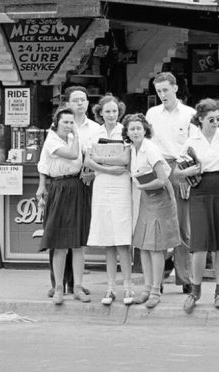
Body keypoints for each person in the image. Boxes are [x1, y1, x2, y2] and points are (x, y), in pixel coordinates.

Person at [175, 98, 219, 313]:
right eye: (211, 119)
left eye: (218, 118)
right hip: (200, 188)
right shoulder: (192, 140)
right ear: (200, 119)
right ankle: (195, 290)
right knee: (199, 244)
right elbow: (177, 171)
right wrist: (188, 172)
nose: (215, 122)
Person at [145, 72, 197, 294]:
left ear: (175, 88)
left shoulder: (189, 114)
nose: (162, 95)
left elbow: (193, 144)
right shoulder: (152, 113)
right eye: (159, 91)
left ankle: (185, 277)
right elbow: (148, 142)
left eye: (166, 90)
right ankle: (157, 280)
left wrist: (181, 170)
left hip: (180, 168)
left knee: (182, 226)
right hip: (158, 167)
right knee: (158, 224)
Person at [83, 95, 134, 305]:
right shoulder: (95, 133)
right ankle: (110, 287)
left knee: (122, 239)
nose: (111, 115)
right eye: (107, 111)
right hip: (102, 185)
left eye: (114, 111)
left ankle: (128, 287)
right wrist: (108, 169)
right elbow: (88, 160)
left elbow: (125, 160)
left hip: (121, 187)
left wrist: (100, 160)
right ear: (100, 113)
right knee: (108, 241)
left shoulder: (125, 131)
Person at [126, 113, 180, 309]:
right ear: (127, 132)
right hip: (147, 198)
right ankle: (147, 288)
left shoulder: (150, 148)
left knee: (156, 246)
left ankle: (156, 290)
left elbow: (162, 179)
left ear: (145, 130)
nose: (135, 132)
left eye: (138, 128)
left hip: (159, 197)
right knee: (144, 245)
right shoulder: (132, 149)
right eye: (132, 129)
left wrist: (141, 188)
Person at [37, 107, 90, 304]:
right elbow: (72, 154)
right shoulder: (52, 140)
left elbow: (85, 157)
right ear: (56, 122)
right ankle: (58, 287)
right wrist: (76, 135)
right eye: (65, 122)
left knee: (78, 243)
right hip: (59, 188)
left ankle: (77, 287)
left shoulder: (74, 138)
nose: (69, 125)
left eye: (71, 122)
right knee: (59, 243)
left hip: (77, 187)